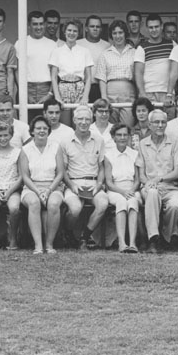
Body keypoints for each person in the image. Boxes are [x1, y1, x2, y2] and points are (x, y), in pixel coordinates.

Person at [61, 104, 109, 250]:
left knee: (103, 204)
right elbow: (62, 170)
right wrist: (72, 186)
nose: (84, 122)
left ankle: (84, 237)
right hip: (73, 183)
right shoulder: (65, 141)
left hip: (93, 183)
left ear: (91, 120)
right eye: (80, 119)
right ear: (74, 120)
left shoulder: (99, 140)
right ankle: (68, 234)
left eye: (87, 119)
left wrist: (99, 184)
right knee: (75, 208)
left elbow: (101, 167)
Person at [137, 108, 178, 252]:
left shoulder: (174, 143)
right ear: (149, 125)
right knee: (152, 193)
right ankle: (153, 239)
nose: (160, 125)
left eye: (163, 122)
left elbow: (177, 171)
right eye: (156, 122)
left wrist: (159, 178)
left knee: (175, 205)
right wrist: (149, 183)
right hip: (150, 187)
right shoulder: (142, 144)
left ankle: (167, 238)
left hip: (171, 186)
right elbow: (141, 175)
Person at [20, 115, 65, 254]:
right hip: (31, 187)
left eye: (45, 128)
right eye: (38, 128)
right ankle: (38, 245)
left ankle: (49, 244)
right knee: (34, 203)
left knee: (53, 204)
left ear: (48, 131)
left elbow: (60, 173)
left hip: (53, 186)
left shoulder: (56, 147)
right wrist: (38, 192)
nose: (42, 131)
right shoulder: (25, 149)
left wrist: (49, 190)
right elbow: (25, 176)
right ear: (32, 131)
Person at [0, 122, 24, 250]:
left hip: (12, 189)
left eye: (6, 135)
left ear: (11, 135)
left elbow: (21, 176)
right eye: (0, 135)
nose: (3, 138)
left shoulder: (18, 153)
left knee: (14, 208)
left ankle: (12, 237)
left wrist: (9, 192)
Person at [104, 123, 141, 253]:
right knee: (121, 202)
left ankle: (132, 243)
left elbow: (137, 179)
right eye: (119, 135)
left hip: (132, 189)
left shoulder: (135, 154)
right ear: (114, 137)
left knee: (133, 202)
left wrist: (131, 190)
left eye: (125, 134)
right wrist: (122, 192)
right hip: (115, 190)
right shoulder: (108, 156)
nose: (122, 137)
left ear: (129, 136)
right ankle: (121, 242)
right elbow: (108, 182)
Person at [49, 19, 93, 124]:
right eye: (69, 30)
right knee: (65, 123)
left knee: (79, 121)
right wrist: (57, 97)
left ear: (78, 33)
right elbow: (54, 77)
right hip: (63, 88)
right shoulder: (57, 51)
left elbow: (89, 77)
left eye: (75, 31)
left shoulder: (85, 51)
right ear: (64, 32)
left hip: (80, 89)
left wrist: (85, 96)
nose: (71, 33)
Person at [95, 19, 137, 127]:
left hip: (128, 93)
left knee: (127, 126)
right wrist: (104, 97)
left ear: (125, 34)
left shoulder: (134, 52)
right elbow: (102, 77)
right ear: (111, 35)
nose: (117, 36)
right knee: (111, 127)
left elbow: (138, 76)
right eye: (114, 33)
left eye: (120, 32)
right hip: (110, 94)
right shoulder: (105, 54)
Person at [18, 10, 58, 106]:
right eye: (35, 24)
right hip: (27, 87)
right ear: (29, 25)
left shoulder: (52, 45)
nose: (38, 27)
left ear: (44, 25)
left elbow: (55, 72)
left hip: (46, 87)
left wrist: (50, 93)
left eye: (41, 24)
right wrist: (25, 93)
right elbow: (17, 71)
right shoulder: (21, 43)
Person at [133, 13, 174, 108]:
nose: (154, 30)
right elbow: (138, 73)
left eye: (156, 26)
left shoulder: (172, 45)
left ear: (162, 26)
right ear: (147, 28)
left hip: (168, 93)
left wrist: (170, 93)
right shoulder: (141, 47)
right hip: (149, 93)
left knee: (169, 121)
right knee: (151, 121)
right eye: (151, 27)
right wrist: (142, 93)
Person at [77, 13, 110, 102]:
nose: (95, 29)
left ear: (101, 29)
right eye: (92, 26)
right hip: (81, 87)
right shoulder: (77, 44)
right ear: (86, 28)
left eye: (98, 27)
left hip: (100, 88)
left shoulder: (107, 46)